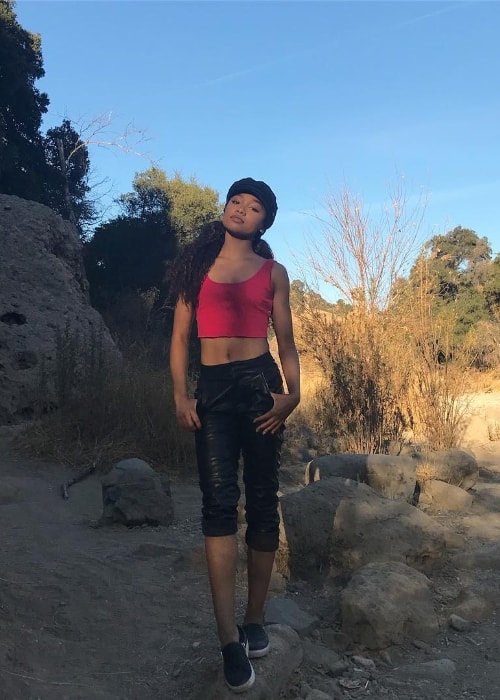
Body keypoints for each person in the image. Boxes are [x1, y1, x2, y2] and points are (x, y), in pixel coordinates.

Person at [169, 177, 300, 692]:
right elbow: (180, 338)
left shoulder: (274, 272)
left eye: (254, 207)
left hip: (260, 388)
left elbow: (285, 340)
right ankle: (228, 639)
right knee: (218, 507)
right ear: (225, 209)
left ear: (265, 221)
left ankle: (255, 620)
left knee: (264, 502)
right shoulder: (196, 269)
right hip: (214, 394)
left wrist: (293, 395)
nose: (241, 210)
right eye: (236, 202)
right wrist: (181, 396)